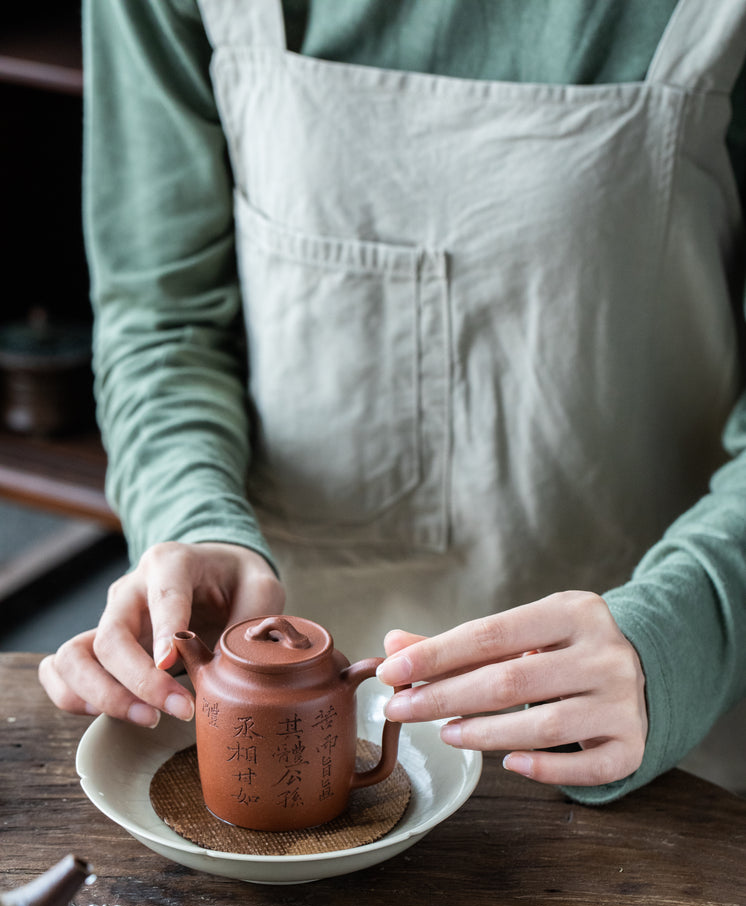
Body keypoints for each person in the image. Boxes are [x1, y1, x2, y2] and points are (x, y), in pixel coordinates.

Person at [39, 0, 746, 804]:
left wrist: (686, 633)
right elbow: (164, 318)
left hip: (649, 732)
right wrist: (195, 517)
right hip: (288, 731)